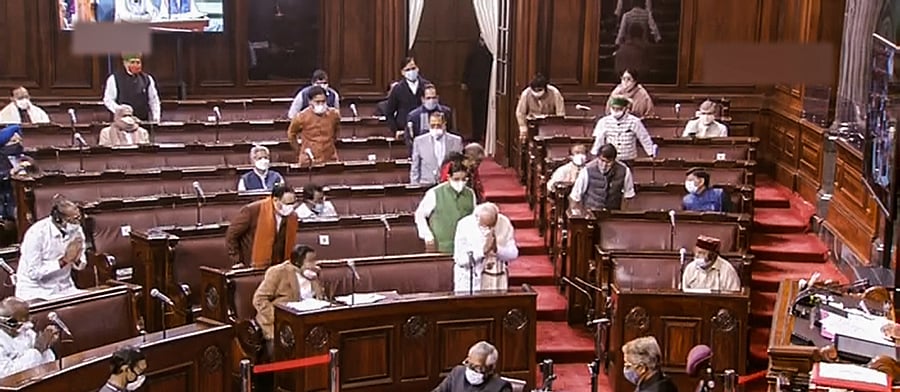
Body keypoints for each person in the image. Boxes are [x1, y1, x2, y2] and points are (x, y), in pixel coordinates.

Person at [252, 245, 324, 355]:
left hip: (306, 324)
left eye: (315, 260)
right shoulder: (278, 272)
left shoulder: (315, 274)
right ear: (298, 262)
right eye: (310, 261)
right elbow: (259, 299)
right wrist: (278, 317)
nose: (315, 264)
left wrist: (315, 282)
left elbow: (321, 299)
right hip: (278, 325)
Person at [15, 195, 86, 301]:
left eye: (78, 218)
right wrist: (63, 261)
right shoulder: (36, 233)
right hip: (36, 292)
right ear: (58, 220)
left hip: (65, 289)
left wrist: (77, 258)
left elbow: (80, 262)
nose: (77, 223)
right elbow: (33, 273)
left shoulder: (77, 230)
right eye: (73, 220)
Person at [225, 183, 298, 268]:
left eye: (292, 203)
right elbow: (231, 235)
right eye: (287, 204)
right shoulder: (252, 210)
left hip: (279, 265)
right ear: (275, 200)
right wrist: (237, 260)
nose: (290, 207)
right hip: (253, 263)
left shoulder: (292, 216)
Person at [453, 203, 518, 292]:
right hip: (470, 283)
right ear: (477, 218)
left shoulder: (504, 223)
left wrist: (497, 250)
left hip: (496, 283)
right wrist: (483, 251)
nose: (489, 229)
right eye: (485, 226)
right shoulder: (464, 225)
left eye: (492, 225)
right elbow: (460, 259)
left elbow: (513, 254)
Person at [414, 162, 477, 254]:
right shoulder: (434, 193)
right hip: (441, 246)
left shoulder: (470, 194)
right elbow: (420, 215)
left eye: (464, 179)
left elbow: (474, 218)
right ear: (448, 177)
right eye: (456, 179)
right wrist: (427, 236)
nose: (460, 182)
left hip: (465, 246)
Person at [0, 297, 59, 378]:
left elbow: (49, 361)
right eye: (21, 321)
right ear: (4, 322)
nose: (29, 325)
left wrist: (46, 346)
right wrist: (38, 350)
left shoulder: (26, 331)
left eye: (27, 318)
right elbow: (7, 375)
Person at [570, 144, 635, 210]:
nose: (604, 166)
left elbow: (628, 195)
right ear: (597, 157)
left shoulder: (624, 170)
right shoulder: (587, 169)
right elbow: (575, 195)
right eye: (602, 161)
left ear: (614, 160)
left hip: (613, 213)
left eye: (608, 162)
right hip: (591, 213)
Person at [287, 86, 341, 165]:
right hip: (309, 159)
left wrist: (332, 142)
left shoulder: (334, 114)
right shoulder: (301, 117)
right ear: (310, 102)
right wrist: (299, 150)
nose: (321, 104)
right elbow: (291, 134)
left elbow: (337, 129)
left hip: (330, 158)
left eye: (323, 101)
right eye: (317, 102)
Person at [591, 96, 655, 162]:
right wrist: (595, 153)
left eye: (619, 109)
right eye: (613, 108)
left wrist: (651, 153)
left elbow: (644, 137)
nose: (615, 111)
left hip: (628, 158)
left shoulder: (635, 121)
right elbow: (599, 139)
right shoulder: (603, 121)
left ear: (625, 108)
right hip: (610, 158)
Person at [430, 341, 512, 392]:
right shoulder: (457, 373)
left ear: (490, 369)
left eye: (477, 367)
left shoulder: (500, 387)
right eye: (469, 364)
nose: (471, 370)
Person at [103, 53, 161, 123]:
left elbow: (153, 100)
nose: (136, 65)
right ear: (125, 63)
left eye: (138, 62)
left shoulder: (147, 79)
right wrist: (120, 110)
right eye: (132, 62)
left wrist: (156, 117)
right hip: (121, 123)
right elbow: (108, 100)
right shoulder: (114, 78)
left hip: (142, 122)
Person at [411, 112, 464, 185]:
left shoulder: (456, 141)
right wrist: (414, 185)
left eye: (438, 125)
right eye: (433, 125)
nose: (435, 128)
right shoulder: (419, 141)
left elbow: (459, 165)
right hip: (426, 184)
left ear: (444, 124)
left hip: (449, 184)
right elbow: (415, 167)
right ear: (428, 125)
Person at [386, 57, 431, 139]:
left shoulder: (426, 86)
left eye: (413, 68)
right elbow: (389, 113)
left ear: (418, 69)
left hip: (424, 130)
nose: (411, 71)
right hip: (404, 131)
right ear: (402, 72)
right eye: (408, 70)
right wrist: (395, 130)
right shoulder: (397, 89)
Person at [515, 74, 565, 143]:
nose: (537, 92)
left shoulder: (555, 93)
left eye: (539, 90)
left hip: (549, 125)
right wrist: (523, 127)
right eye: (534, 90)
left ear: (545, 88)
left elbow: (560, 113)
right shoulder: (526, 93)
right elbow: (520, 112)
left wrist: (558, 128)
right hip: (532, 124)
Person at [462, 37, 494, 143]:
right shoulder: (473, 49)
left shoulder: (491, 50)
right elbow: (467, 65)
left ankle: (485, 133)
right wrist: (464, 81)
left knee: (486, 111)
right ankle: (476, 134)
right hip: (475, 85)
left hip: (487, 85)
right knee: (475, 111)